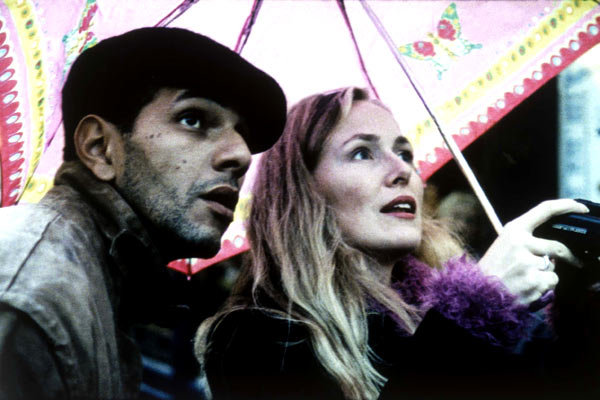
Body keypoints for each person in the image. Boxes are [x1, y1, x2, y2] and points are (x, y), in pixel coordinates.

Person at [195, 87, 600, 400]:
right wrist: (476, 311)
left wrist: (579, 305)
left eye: (404, 153)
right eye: (361, 153)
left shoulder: (444, 311)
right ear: (304, 191)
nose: (401, 170)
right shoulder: (254, 339)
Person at [0, 27, 286, 400]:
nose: (242, 155)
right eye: (193, 119)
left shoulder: (96, 283)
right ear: (100, 147)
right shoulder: (30, 296)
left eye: (242, 133)